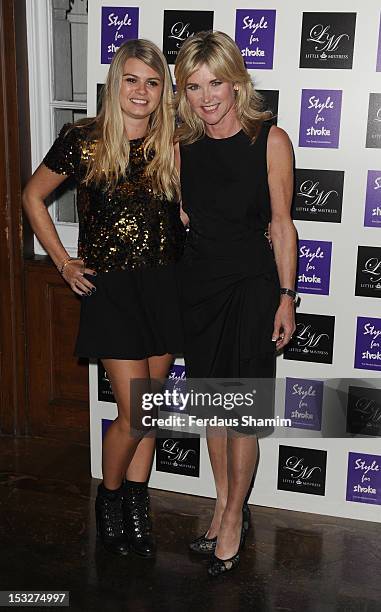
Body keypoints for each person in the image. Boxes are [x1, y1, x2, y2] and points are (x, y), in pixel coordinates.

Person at [22, 39, 185, 558]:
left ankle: (137, 506)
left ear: (164, 92)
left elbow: (189, 209)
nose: (141, 91)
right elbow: (31, 196)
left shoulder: (174, 143)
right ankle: (109, 497)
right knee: (134, 413)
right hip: (112, 288)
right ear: (117, 83)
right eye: (132, 79)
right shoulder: (83, 139)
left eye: (153, 82)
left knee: (151, 411)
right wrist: (63, 261)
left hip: (164, 284)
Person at [174, 31, 297, 576]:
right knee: (210, 408)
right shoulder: (180, 145)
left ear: (236, 81)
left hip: (251, 286)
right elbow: (182, 216)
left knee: (241, 408)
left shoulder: (270, 140)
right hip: (199, 287)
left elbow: (281, 223)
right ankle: (225, 502)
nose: (207, 97)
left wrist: (288, 296)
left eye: (216, 82)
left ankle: (230, 519)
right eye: (194, 86)